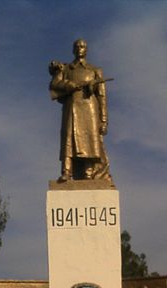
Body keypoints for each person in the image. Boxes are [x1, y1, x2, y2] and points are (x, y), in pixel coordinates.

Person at [49, 39, 112, 182]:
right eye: (77, 46)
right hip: (71, 108)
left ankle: (88, 173)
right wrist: (68, 85)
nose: (80, 49)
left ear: (87, 50)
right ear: (73, 50)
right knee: (68, 140)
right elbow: (54, 83)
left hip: (90, 109)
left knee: (90, 141)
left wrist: (104, 120)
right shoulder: (66, 69)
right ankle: (66, 171)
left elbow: (102, 97)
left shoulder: (95, 70)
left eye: (83, 46)